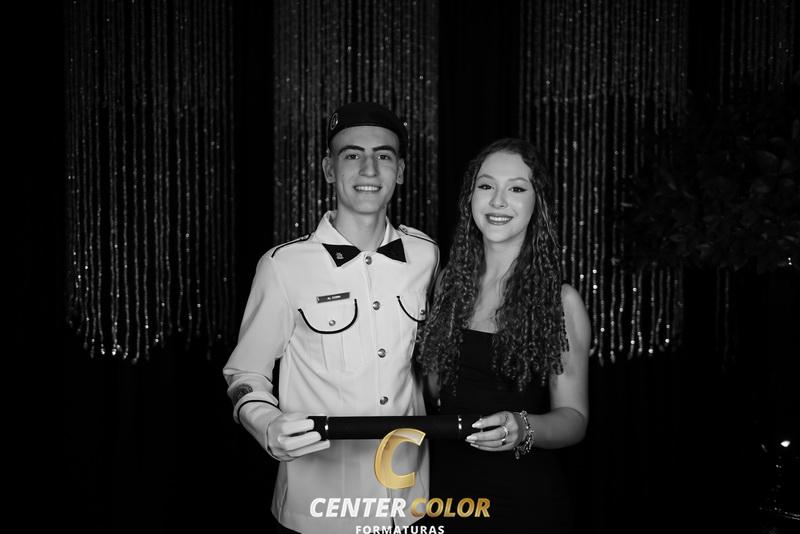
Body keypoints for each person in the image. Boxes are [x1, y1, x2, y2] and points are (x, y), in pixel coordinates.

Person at [223, 102, 438, 534]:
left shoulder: (425, 255)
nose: (369, 169)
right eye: (352, 155)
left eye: (383, 156)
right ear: (328, 169)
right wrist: (265, 424)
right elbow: (245, 373)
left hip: (409, 504)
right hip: (318, 510)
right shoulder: (283, 266)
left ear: (400, 171)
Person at [415, 138, 590, 532]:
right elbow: (434, 390)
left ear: (537, 203)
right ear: (470, 197)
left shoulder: (560, 301)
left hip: (522, 501)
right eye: (486, 185)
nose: (498, 201)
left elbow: (574, 419)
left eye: (516, 188)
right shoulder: (449, 283)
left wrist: (522, 426)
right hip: (445, 494)